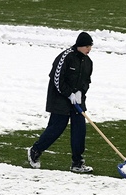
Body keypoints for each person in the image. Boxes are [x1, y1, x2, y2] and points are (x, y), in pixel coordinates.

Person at [27, 32, 94, 173]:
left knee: (79, 129)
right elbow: (56, 79)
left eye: (90, 46)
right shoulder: (66, 56)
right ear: (79, 45)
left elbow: (86, 81)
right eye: (87, 46)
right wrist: (68, 93)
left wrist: (81, 92)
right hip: (60, 99)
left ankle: (77, 162)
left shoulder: (88, 62)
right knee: (57, 127)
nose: (89, 49)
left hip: (77, 100)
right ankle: (35, 150)